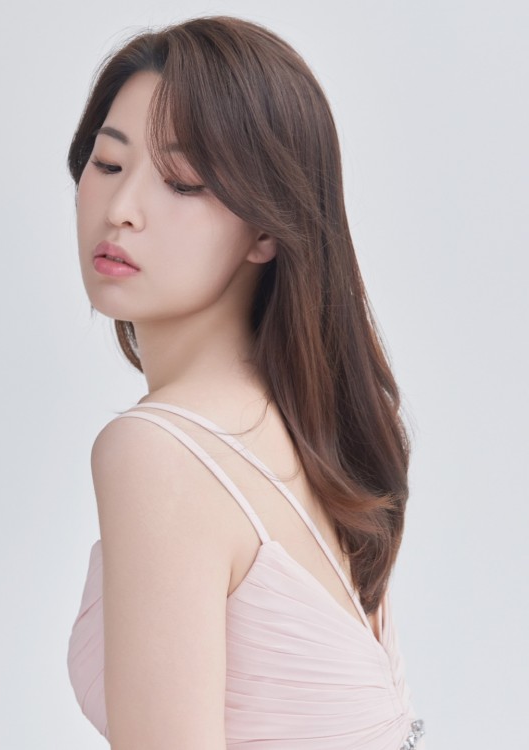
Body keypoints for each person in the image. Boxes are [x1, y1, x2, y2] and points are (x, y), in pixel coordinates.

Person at [66, 15, 426, 750]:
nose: (121, 210)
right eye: (107, 163)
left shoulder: (159, 454)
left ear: (266, 230)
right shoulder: (316, 434)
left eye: (182, 182)